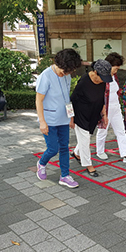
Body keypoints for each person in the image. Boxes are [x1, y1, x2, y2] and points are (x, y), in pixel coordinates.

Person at [36, 48, 82, 188]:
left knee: (64, 148)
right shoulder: (46, 76)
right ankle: (42, 163)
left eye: (70, 71)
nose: (67, 73)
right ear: (60, 63)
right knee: (53, 149)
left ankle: (65, 176)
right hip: (49, 119)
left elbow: (67, 98)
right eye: (66, 70)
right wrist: (42, 122)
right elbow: (38, 100)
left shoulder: (66, 76)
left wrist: (71, 117)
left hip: (63, 118)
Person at [71, 59, 112, 177]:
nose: (103, 81)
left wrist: (104, 115)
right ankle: (89, 165)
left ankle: (76, 153)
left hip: (93, 114)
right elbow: (72, 100)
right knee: (85, 140)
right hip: (81, 115)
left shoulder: (103, 82)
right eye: (102, 78)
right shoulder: (84, 82)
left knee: (86, 137)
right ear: (95, 72)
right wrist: (71, 118)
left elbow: (101, 99)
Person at [96, 53, 126, 164]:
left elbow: (116, 91)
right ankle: (99, 151)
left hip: (116, 107)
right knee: (103, 130)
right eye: (115, 68)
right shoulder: (101, 77)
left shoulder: (114, 76)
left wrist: (125, 94)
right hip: (105, 108)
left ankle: (125, 155)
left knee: (121, 131)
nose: (116, 70)